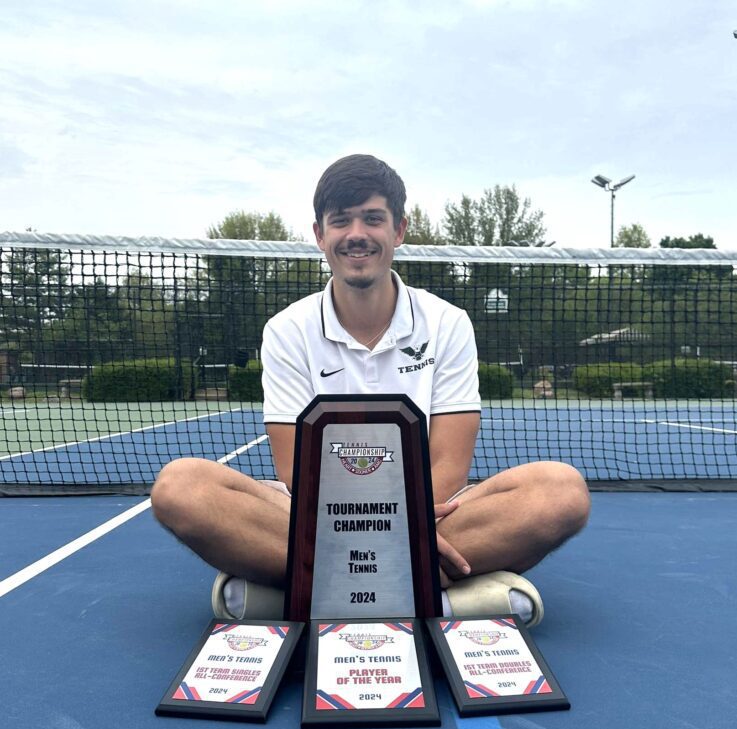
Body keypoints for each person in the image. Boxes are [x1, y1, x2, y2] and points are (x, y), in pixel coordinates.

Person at [151, 154, 590, 626]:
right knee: (181, 488)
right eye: (340, 221)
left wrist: (406, 529)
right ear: (320, 235)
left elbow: (448, 463)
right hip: (317, 517)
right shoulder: (286, 330)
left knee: (561, 491)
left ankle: (302, 594)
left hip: (429, 515)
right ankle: (439, 599)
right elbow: (295, 465)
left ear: (399, 230)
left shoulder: (447, 323)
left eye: (373, 219)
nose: (356, 233)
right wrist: (373, 535)